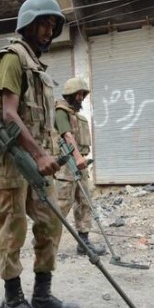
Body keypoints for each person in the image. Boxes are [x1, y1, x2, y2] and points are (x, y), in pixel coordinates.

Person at [0, 0, 79, 308]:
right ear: (28, 25)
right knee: (13, 229)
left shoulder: (37, 66)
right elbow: (8, 114)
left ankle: (42, 295)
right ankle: (13, 300)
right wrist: (39, 154)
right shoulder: (12, 58)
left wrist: (46, 154)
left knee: (50, 223)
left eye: (53, 25)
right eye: (43, 23)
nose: (48, 30)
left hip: (38, 161)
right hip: (14, 159)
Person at [54, 78, 107, 256]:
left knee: (85, 202)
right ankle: (46, 243)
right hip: (66, 165)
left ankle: (83, 243)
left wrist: (81, 160)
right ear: (69, 95)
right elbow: (67, 136)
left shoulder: (77, 115)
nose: (80, 97)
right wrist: (77, 157)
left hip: (80, 164)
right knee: (62, 204)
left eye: (82, 94)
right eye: (77, 94)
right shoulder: (61, 112)